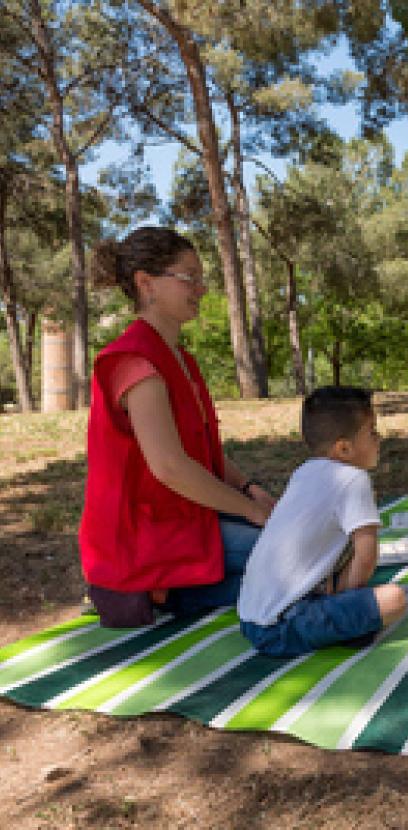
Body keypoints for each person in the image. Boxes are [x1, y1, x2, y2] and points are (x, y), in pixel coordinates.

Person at [80, 227, 276, 628]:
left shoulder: (179, 360)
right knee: (295, 560)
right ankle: (167, 593)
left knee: (303, 552)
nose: (201, 289)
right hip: (145, 540)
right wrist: (251, 511)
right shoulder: (134, 361)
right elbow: (170, 466)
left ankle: (195, 592)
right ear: (146, 284)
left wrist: (249, 488)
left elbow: (200, 452)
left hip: (185, 521)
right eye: (190, 277)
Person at [238, 386, 407, 658]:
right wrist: (352, 602)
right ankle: (343, 629)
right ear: (344, 448)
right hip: (281, 627)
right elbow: (366, 555)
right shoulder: (353, 479)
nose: (379, 439)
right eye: (372, 432)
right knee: (393, 599)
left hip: (250, 619)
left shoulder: (303, 473)